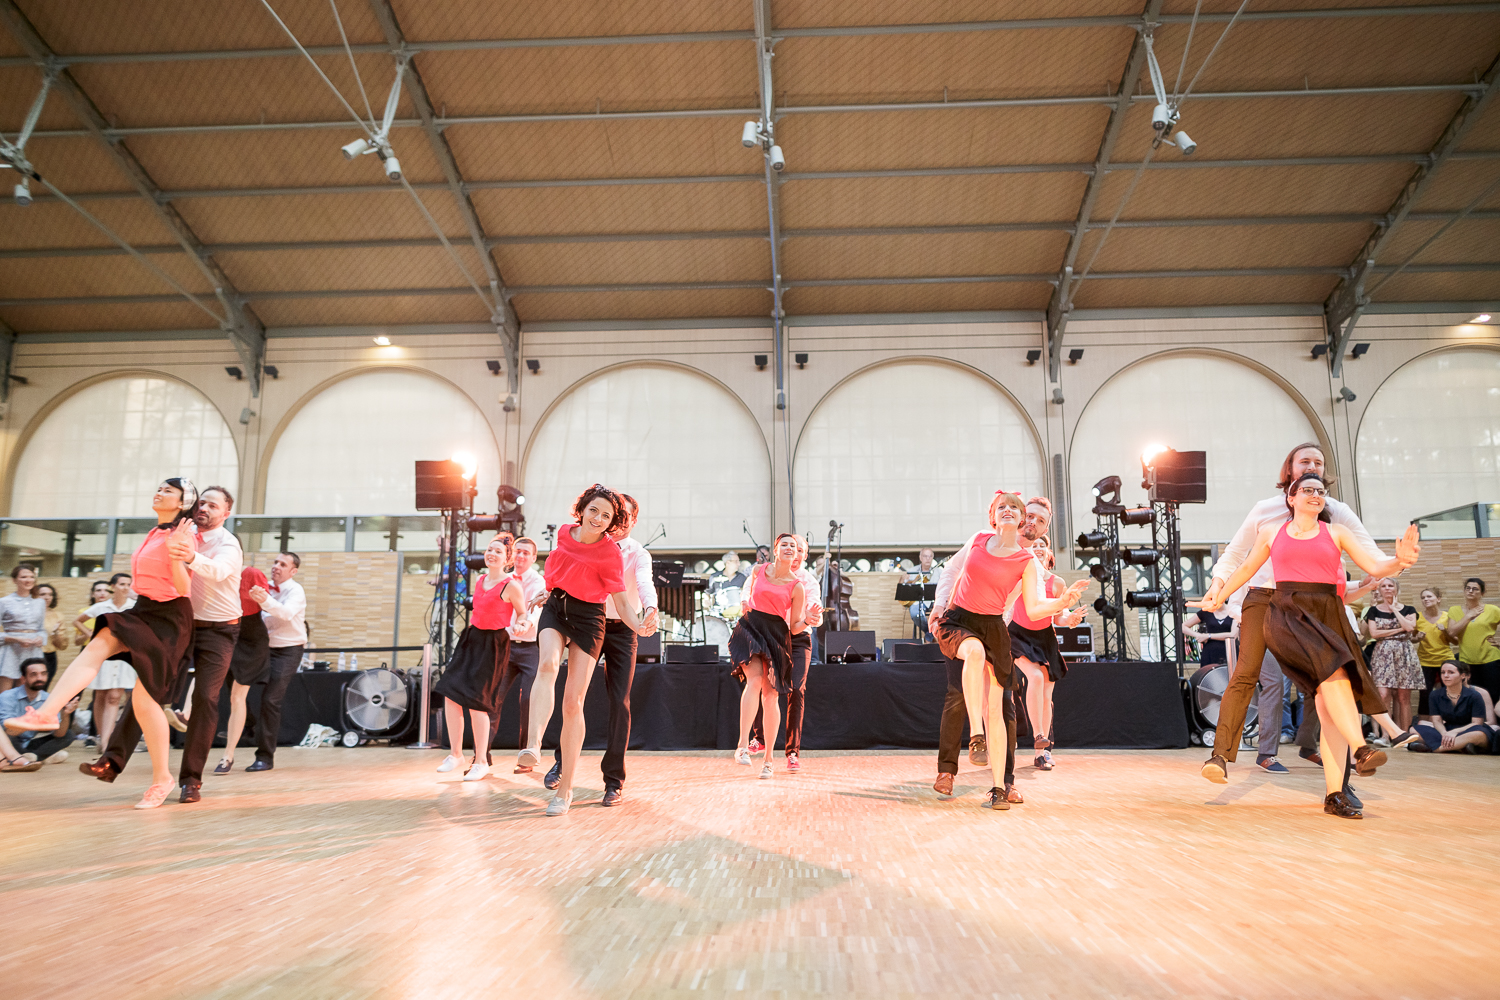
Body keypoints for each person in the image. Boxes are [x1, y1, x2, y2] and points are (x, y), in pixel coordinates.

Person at [1195, 471, 1421, 819]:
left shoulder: (1337, 531)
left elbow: (1376, 565)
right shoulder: (1271, 529)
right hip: (1286, 612)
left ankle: (1336, 793)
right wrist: (1219, 597)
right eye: (1308, 490)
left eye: (1321, 491)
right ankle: (1361, 749)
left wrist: (1400, 562)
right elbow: (1244, 568)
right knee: (1327, 679)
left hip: (1326, 613)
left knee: (1331, 696)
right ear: (1291, 496)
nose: (1316, 495)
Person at [5, 479, 198, 808]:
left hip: (170, 620)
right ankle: (47, 714)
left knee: (145, 703)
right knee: (99, 641)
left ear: (182, 502)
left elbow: (183, 589)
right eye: (160, 488)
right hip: (144, 609)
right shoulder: (154, 532)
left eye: (168, 490)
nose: (159, 492)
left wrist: (178, 556)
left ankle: (162, 777)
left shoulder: (182, 535)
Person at [80, 484, 244, 805]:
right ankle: (111, 761)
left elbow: (220, 571)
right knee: (148, 691)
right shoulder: (179, 530)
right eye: (202, 503)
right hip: (180, 624)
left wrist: (191, 556)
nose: (205, 509)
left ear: (226, 513)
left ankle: (191, 780)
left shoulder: (228, 543)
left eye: (213, 505)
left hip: (219, 630)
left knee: (207, 699)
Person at [929, 490, 1089, 809]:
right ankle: (950, 768)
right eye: (1025, 513)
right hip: (961, 620)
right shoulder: (981, 540)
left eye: (1038, 520)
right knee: (957, 692)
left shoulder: (1032, 563)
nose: (1030, 521)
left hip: (999, 628)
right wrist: (939, 606)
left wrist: (1063, 607)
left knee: (1003, 706)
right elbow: (951, 572)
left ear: (1043, 529)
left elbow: (1036, 606)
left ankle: (1004, 783)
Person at [519, 485, 652, 816]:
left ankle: (571, 791)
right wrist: (548, 591)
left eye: (607, 516)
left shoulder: (614, 553)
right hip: (558, 609)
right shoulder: (565, 533)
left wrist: (643, 622)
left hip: (595, 620)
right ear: (582, 509)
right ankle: (533, 747)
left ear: (617, 522)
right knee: (548, 665)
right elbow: (560, 569)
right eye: (594, 511)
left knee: (574, 702)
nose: (599, 518)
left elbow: (623, 600)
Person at [435, 536, 527, 781]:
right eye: (489, 549)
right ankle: (456, 755)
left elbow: (522, 614)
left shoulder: (511, 585)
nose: (491, 554)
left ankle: (482, 761)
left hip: (493, 645)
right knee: (450, 693)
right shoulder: (480, 580)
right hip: (471, 639)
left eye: (498, 551)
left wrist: (520, 625)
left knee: (478, 704)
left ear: (507, 559)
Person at [731, 533, 807, 779]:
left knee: (771, 695)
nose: (788, 548)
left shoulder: (797, 586)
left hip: (777, 634)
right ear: (776, 550)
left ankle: (769, 760)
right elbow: (749, 597)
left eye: (792, 546)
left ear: (796, 554)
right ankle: (742, 745)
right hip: (752, 627)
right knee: (753, 680)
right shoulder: (759, 571)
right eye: (784, 544)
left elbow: (794, 626)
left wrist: (808, 621)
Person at [1008, 536, 1086, 772]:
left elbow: (1059, 616)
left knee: (1046, 695)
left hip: (1045, 639)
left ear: (1049, 554)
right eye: (1033, 546)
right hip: (1017, 635)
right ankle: (1039, 735)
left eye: (1042, 546)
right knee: (1036, 677)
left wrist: (1070, 619)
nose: (1038, 549)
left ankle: (1041, 753)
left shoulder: (1057, 583)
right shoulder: (1019, 577)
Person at [747, 533, 823, 772]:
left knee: (796, 690)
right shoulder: (764, 572)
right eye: (791, 547)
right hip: (769, 637)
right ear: (779, 550)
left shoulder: (807, 582)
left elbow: (813, 616)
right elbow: (747, 600)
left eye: (800, 550)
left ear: (805, 556)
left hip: (798, 639)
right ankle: (759, 739)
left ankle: (792, 752)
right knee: (763, 686)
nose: (795, 553)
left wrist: (814, 619)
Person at [243, 552, 307, 771]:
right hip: (262, 648)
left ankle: (265, 757)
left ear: (293, 571)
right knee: (237, 684)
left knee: (271, 700)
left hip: (288, 650)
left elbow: (286, 614)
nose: (276, 566)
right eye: (275, 562)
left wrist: (263, 599)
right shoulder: (263, 587)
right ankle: (247, 725)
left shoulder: (296, 590)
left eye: (282, 564)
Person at [489, 535, 545, 771]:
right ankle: (482, 756)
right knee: (492, 699)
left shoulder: (538, 581)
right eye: (518, 552)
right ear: (512, 556)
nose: (521, 556)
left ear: (533, 558)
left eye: (526, 553)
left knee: (528, 701)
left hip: (531, 648)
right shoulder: (504, 579)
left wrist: (527, 625)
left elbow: (535, 611)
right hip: (506, 646)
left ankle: (526, 756)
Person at [218, 564, 271, 773]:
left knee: (237, 696)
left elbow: (268, 605)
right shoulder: (216, 574)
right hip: (228, 632)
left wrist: (261, 597)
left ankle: (227, 756)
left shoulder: (251, 573)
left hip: (251, 637)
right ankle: (184, 713)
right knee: (210, 678)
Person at [78, 573, 137, 754]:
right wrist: (92, 635)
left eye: (128, 584)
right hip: (104, 655)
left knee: (114, 696)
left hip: (124, 656)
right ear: (113, 586)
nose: (125, 587)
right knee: (101, 696)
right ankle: (101, 737)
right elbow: (78, 621)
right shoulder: (101, 607)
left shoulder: (134, 606)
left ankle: (106, 742)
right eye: (121, 584)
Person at [1363, 578, 1423, 733]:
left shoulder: (1409, 609)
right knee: (1383, 695)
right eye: (1384, 586)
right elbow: (1374, 633)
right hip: (1382, 653)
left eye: (1391, 585)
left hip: (1404, 653)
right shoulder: (1374, 610)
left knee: (1403, 697)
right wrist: (1398, 630)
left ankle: (1405, 734)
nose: (1387, 588)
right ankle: (1387, 734)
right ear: (1380, 590)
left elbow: (1410, 627)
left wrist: (1395, 609)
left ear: (1396, 588)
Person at [0, 658, 79, 770]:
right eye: (34, 674)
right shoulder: (7, 697)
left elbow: (59, 734)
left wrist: (65, 714)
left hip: (30, 741)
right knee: (8, 735)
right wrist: (33, 719)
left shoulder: (48, 698)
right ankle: (40, 757)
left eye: (43, 674)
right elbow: (8, 731)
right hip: (10, 741)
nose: (39, 678)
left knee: (68, 735)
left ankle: (34, 757)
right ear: (23, 679)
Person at [1408, 660, 1495, 754]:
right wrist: (1445, 733)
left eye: (1451, 672)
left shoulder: (1475, 695)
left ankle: (1437, 749)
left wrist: (1455, 732)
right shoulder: (1435, 695)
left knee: (1479, 735)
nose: (1445, 675)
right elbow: (1437, 721)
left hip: (1469, 729)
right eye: (1443, 672)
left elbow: (1477, 723)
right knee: (1414, 729)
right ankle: (1460, 747)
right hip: (1447, 729)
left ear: (1462, 676)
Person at [1446, 578, 1500, 703]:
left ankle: (1493, 722)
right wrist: (1468, 616)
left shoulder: (1492, 610)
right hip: (1467, 660)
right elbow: (1452, 632)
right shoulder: (1455, 610)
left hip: (1490, 659)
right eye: (1468, 588)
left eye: (1475, 589)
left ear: (1482, 593)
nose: (1471, 591)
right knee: (1473, 696)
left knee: (1493, 694)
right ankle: (1476, 722)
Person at [0, 564, 47, 692]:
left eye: (31, 577)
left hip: (33, 651)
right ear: (14, 580)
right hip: (9, 650)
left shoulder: (40, 602)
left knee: (28, 691)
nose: (28, 580)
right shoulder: (4, 602)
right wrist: (15, 639)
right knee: (5, 693)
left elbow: (42, 629)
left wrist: (41, 638)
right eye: (24, 577)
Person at [1413, 588, 1452, 716]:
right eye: (1423, 597)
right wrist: (1417, 638)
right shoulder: (1417, 617)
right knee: (1424, 693)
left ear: (1438, 599)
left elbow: (1456, 640)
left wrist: (1445, 631)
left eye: (1429, 596)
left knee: (1448, 692)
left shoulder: (1447, 617)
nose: (1426, 599)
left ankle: (1448, 720)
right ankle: (1423, 723)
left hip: (1445, 660)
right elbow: (1411, 638)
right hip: (1425, 661)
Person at [902, 548, 940, 641]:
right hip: (918, 601)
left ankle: (929, 636)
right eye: (925, 556)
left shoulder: (939, 571)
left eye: (930, 556)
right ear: (920, 557)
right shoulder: (912, 571)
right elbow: (904, 589)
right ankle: (930, 633)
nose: (928, 558)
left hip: (935, 601)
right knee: (915, 613)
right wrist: (904, 580)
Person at [34, 583, 67, 686]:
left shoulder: (58, 616)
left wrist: (56, 634)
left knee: (43, 689)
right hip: (30, 655)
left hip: (49, 657)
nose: (47, 597)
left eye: (50, 594)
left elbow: (62, 646)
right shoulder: (28, 613)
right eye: (42, 594)